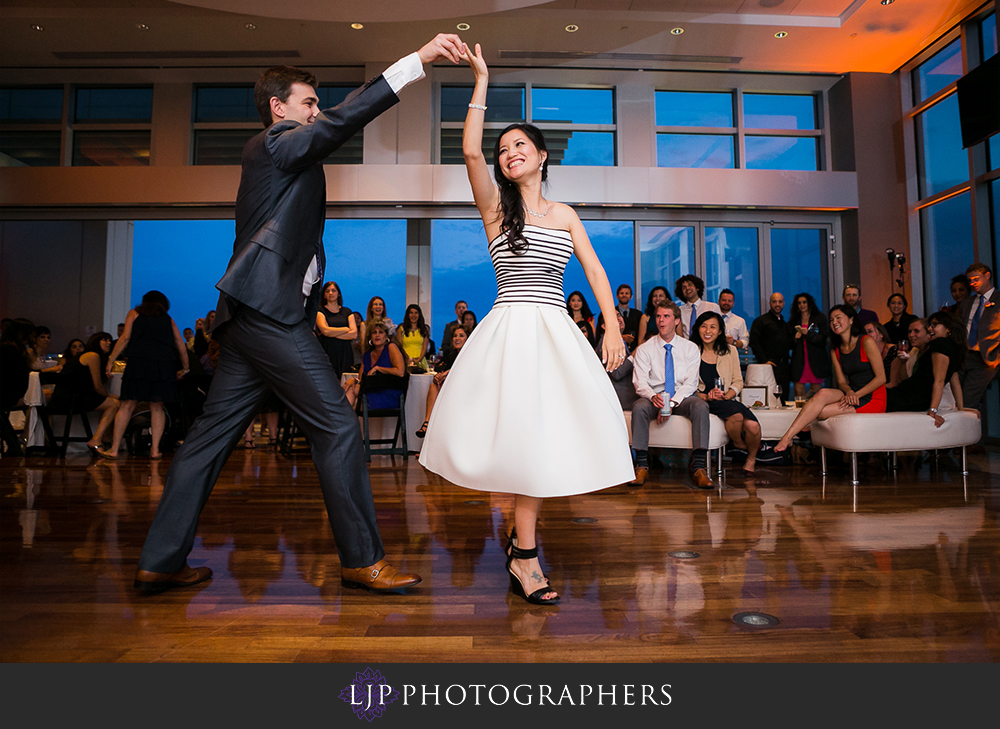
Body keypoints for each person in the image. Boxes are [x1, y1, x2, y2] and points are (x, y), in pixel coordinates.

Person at [131, 35, 467, 595]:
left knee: (210, 441)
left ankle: (161, 560)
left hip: (244, 316)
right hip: (267, 313)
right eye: (308, 103)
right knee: (337, 427)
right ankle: (362, 559)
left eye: (315, 105)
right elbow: (339, 123)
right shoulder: (275, 142)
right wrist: (417, 62)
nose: (316, 112)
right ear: (278, 108)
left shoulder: (280, 154)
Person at [420, 42, 632, 607]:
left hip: (555, 330)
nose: (508, 152)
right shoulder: (496, 209)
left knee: (546, 437)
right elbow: (468, 151)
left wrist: (611, 327)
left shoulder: (563, 214)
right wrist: (482, 79)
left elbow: (595, 270)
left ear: (541, 156)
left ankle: (523, 544)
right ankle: (526, 553)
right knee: (521, 437)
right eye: (504, 149)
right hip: (510, 329)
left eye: (520, 145)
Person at [775, 305, 886, 452]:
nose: (834, 322)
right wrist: (849, 392)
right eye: (832, 320)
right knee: (821, 394)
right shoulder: (836, 349)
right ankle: (787, 437)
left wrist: (855, 395)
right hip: (851, 393)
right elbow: (841, 382)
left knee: (821, 412)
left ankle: (798, 432)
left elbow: (881, 378)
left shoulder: (866, 341)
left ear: (851, 320)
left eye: (838, 318)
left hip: (872, 398)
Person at [631, 302, 713, 488]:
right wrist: (654, 397)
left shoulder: (690, 348)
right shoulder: (645, 348)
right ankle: (641, 465)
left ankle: (699, 467)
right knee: (639, 406)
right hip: (654, 397)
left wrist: (671, 404)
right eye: (658, 316)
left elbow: (691, 383)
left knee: (700, 405)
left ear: (676, 321)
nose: (661, 320)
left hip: (681, 398)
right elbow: (640, 382)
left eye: (666, 316)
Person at [100, 290, 190, 460]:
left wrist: (110, 360)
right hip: (163, 364)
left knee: (127, 405)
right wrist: (185, 368)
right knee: (157, 407)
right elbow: (180, 344)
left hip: (138, 362)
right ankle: (155, 450)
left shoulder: (134, 314)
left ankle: (114, 449)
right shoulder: (168, 320)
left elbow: (125, 338)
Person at [690, 311, 762, 475]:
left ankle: (751, 459)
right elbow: (686, 385)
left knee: (753, 426)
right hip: (703, 401)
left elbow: (738, 381)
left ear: (720, 331)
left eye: (713, 327)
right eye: (704, 326)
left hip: (726, 399)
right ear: (698, 328)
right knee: (736, 416)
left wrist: (727, 395)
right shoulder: (691, 350)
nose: (708, 331)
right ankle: (736, 443)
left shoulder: (730, 351)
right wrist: (706, 396)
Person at [887, 311, 966, 424]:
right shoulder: (956, 348)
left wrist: (933, 410)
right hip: (912, 396)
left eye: (935, 325)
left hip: (910, 397)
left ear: (948, 328)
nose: (930, 328)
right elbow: (955, 381)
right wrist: (961, 409)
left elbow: (939, 381)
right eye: (930, 325)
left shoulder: (939, 344)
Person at [48, 331, 120, 453]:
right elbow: (97, 386)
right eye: (104, 340)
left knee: (115, 400)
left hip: (67, 395)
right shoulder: (92, 356)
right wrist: (109, 396)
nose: (108, 343)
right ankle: (98, 439)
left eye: (109, 340)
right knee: (115, 403)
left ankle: (105, 438)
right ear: (96, 342)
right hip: (70, 398)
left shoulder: (91, 356)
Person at [415, 325, 469, 438]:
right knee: (433, 386)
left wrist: (447, 373)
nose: (457, 338)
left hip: (466, 391)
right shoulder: (451, 354)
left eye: (461, 336)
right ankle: (427, 421)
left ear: (468, 338)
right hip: (450, 389)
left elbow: (463, 369)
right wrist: (439, 376)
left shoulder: (471, 354)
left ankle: (428, 425)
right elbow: (440, 368)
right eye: (455, 336)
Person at [959, 263, 999, 411]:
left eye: (976, 279)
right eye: (970, 280)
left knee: (968, 400)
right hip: (964, 355)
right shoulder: (967, 302)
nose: (972, 283)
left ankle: (966, 432)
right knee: (953, 396)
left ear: (987, 276)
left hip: (986, 356)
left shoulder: (999, 299)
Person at [343, 321, 406, 410]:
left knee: (353, 397)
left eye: (381, 332)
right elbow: (361, 380)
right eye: (374, 332)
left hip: (388, 393)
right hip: (369, 392)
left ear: (386, 336)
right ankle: (344, 421)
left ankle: (341, 421)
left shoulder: (391, 347)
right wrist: (354, 380)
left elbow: (400, 372)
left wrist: (378, 368)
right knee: (351, 391)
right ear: (370, 337)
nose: (377, 335)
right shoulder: (367, 355)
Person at [749, 292, 793, 404]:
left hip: (784, 367)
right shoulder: (761, 321)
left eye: (780, 302)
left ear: (783, 304)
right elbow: (754, 342)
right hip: (769, 366)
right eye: (774, 301)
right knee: (770, 399)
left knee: (784, 399)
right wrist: (765, 361)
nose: (777, 304)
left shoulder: (784, 323)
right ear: (770, 303)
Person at [0, 318, 35, 456]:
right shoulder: (11, 350)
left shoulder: (7, 348)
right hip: (11, 394)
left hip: (9, 394)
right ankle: (18, 444)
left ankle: (16, 444)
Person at [789, 292, 830, 401]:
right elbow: (788, 343)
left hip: (816, 360)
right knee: (799, 395)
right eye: (799, 303)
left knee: (816, 395)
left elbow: (823, 339)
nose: (802, 305)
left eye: (804, 302)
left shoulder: (820, 318)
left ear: (809, 303)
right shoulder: (793, 320)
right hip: (799, 360)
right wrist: (795, 338)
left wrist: (809, 334)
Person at [597, 311, 638, 411]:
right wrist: (633, 356)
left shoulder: (619, 341)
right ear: (603, 326)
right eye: (613, 317)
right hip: (620, 400)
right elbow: (616, 372)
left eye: (618, 315)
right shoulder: (606, 342)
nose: (618, 318)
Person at [315, 280, 356, 379]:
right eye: (327, 291)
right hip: (328, 351)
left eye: (333, 290)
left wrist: (332, 333)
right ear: (324, 295)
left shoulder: (347, 311)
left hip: (345, 352)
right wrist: (346, 329)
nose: (331, 293)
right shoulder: (320, 311)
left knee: (345, 383)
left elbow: (354, 334)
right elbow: (325, 331)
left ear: (338, 294)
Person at [675, 274, 721, 339]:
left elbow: (720, 329)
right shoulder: (679, 310)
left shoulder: (712, 307)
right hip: (687, 346)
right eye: (684, 287)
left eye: (690, 285)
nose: (687, 288)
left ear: (697, 288)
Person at [395, 303, 430, 372]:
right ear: (407, 314)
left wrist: (419, 359)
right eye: (411, 313)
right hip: (405, 361)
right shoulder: (401, 329)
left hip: (421, 361)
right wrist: (407, 359)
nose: (413, 315)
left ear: (419, 315)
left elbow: (425, 347)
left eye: (416, 313)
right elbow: (399, 347)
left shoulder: (425, 329)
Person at [614, 283, 641, 348]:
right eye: (621, 293)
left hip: (635, 350)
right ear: (617, 296)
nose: (624, 295)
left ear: (631, 296)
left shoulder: (638, 314)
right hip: (616, 348)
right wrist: (621, 337)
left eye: (627, 293)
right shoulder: (611, 313)